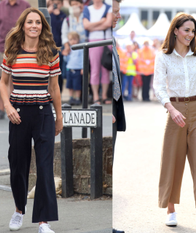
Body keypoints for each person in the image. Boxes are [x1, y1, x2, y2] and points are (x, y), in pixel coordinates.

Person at [0, 7, 63, 233]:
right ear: (23, 26)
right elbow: (3, 82)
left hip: (43, 112)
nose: (34, 25)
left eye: (38, 22)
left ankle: (43, 222)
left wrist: (59, 116)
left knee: (45, 167)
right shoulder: (13, 51)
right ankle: (19, 210)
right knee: (18, 165)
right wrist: (7, 106)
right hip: (19, 114)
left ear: (42, 26)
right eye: (30, 22)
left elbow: (54, 88)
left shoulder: (51, 52)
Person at [153, 12, 196, 231]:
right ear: (175, 31)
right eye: (187, 30)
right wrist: (170, 108)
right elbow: (159, 87)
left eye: (193, 31)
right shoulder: (163, 56)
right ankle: (171, 210)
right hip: (176, 110)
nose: (190, 35)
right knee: (173, 160)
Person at [0, 0, 31, 120]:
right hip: (3, 47)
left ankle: (16, 106)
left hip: (22, 47)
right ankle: (2, 108)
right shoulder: (0, 6)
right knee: (2, 78)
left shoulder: (25, 5)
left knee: (16, 77)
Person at [111, 1, 126, 231]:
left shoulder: (111, 38)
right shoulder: (98, 38)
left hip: (112, 108)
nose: (118, 15)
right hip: (105, 110)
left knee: (108, 165)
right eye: (114, 11)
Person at [83, 0, 112, 104]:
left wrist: (92, 27)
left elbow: (108, 23)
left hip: (106, 40)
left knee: (105, 70)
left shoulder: (108, 7)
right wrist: (101, 21)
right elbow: (86, 26)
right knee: (94, 70)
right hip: (93, 41)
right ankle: (96, 96)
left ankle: (104, 95)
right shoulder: (87, 9)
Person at [65, 31, 83, 105]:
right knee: (70, 85)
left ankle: (78, 98)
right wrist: (66, 55)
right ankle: (71, 98)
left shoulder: (80, 48)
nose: (73, 41)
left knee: (77, 85)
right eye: (71, 39)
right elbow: (66, 60)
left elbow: (82, 59)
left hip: (77, 69)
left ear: (78, 40)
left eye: (74, 39)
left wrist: (82, 68)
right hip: (69, 68)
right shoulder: (69, 49)